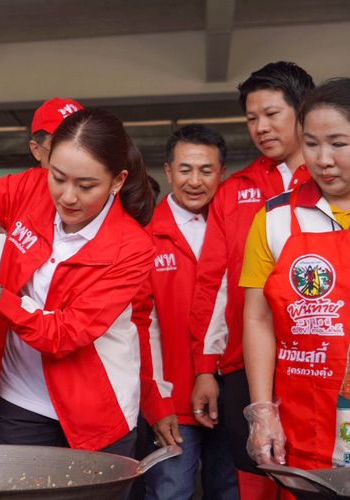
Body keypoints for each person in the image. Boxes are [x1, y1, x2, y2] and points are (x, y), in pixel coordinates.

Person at [0, 108, 155, 477]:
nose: (67, 196)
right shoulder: (31, 189)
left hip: (95, 409)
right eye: (58, 178)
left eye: (86, 185)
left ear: (117, 181)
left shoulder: (133, 248)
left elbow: (65, 334)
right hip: (21, 400)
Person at [188, 61, 314, 498]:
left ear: (303, 111)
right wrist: (206, 369)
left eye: (272, 114)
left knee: (314, 477)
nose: (260, 127)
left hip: (317, 362)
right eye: (251, 118)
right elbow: (213, 283)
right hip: (244, 363)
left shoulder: (330, 182)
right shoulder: (232, 191)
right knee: (254, 481)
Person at [241, 78, 350, 476]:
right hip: (306, 418)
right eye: (311, 143)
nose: (322, 160)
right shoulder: (274, 219)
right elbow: (257, 317)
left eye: (339, 144)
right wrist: (263, 411)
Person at [0, 97, 83, 439]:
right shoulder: (10, 212)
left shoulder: (98, 214)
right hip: (23, 395)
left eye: (81, 141)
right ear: (36, 149)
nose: (72, 152)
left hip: (80, 396)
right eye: (60, 143)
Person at [137, 125, 237, 499]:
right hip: (174, 403)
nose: (195, 181)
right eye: (185, 169)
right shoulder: (145, 240)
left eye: (206, 170)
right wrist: (157, 402)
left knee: (231, 492)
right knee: (170, 492)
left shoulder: (238, 230)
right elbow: (141, 329)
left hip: (232, 397)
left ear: (222, 173)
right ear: (167, 170)